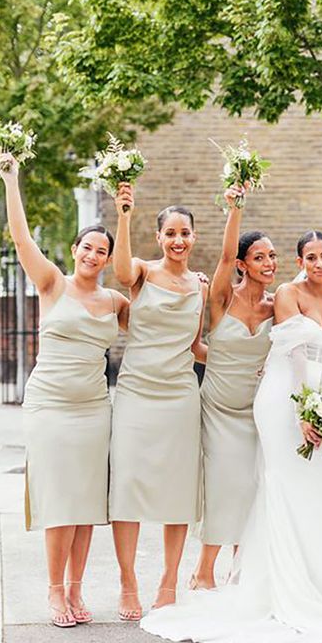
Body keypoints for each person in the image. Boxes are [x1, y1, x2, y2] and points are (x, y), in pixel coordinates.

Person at [140, 230, 322, 643]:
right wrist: (306, 408)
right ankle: (255, 578)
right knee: (276, 483)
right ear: (302, 261)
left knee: (319, 488)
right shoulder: (286, 293)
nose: (318, 263)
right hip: (287, 397)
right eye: (311, 257)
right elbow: (295, 350)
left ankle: (318, 583)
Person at [0, 154, 128, 628]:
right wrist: (12, 179)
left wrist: (193, 285)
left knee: (86, 501)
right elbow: (21, 237)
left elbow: (162, 324)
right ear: (75, 249)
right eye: (88, 247)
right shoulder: (53, 284)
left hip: (95, 409)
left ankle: (77, 589)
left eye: (102, 250)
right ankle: (54, 591)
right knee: (58, 500)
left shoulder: (116, 301)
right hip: (51, 407)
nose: (94, 255)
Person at [109, 183, 207, 619]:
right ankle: (128, 581)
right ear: (159, 237)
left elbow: (197, 346)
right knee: (127, 485)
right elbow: (120, 272)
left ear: (193, 236)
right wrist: (124, 213)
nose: (178, 240)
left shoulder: (201, 288)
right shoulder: (142, 274)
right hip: (135, 391)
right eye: (170, 233)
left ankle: (169, 581)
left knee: (177, 489)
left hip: (179, 395)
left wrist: (253, 361)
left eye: (184, 233)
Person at [191, 184, 276, 588]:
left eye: (273, 256)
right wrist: (234, 206)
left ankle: (241, 569)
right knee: (227, 485)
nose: (268, 262)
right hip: (219, 409)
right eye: (260, 257)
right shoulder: (222, 298)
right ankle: (203, 570)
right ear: (243, 264)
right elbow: (223, 254)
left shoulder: (278, 305)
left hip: (257, 412)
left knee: (254, 486)